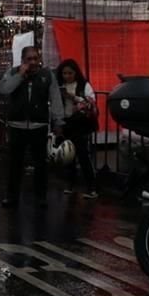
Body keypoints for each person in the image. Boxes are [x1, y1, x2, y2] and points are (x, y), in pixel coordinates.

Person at [0, 46, 64, 209]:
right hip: (17, 125)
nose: (33, 62)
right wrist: (20, 74)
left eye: (36, 58)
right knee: (15, 163)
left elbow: (55, 98)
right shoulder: (13, 73)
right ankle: (12, 196)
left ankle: (41, 197)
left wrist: (58, 121)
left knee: (40, 164)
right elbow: (5, 89)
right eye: (29, 59)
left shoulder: (46, 75)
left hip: (38, 125)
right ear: (23, 60)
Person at [56, 59, 98, 199]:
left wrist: (73, 97)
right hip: (66, 123)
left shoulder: (83, 85)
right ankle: (70, 184)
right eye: (64, 73)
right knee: (68, 156)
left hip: (80, 124)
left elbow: (90, 102)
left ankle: (91, 187)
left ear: (75, 73)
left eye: (70, 73)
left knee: (83, 154)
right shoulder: (59, 86)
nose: (67, 76)